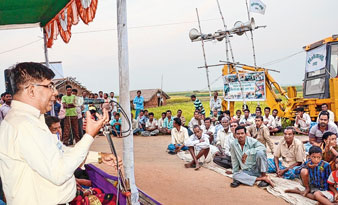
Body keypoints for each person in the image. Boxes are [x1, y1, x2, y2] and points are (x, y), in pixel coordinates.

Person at [0, 62, 119, 204]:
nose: (55, 92)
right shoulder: (24, 125)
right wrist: (89, 136)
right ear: (31, 90)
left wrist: (98, 157)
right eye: (49, 86)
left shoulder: (29, 120)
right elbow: (59, 172)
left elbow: (59, 152)